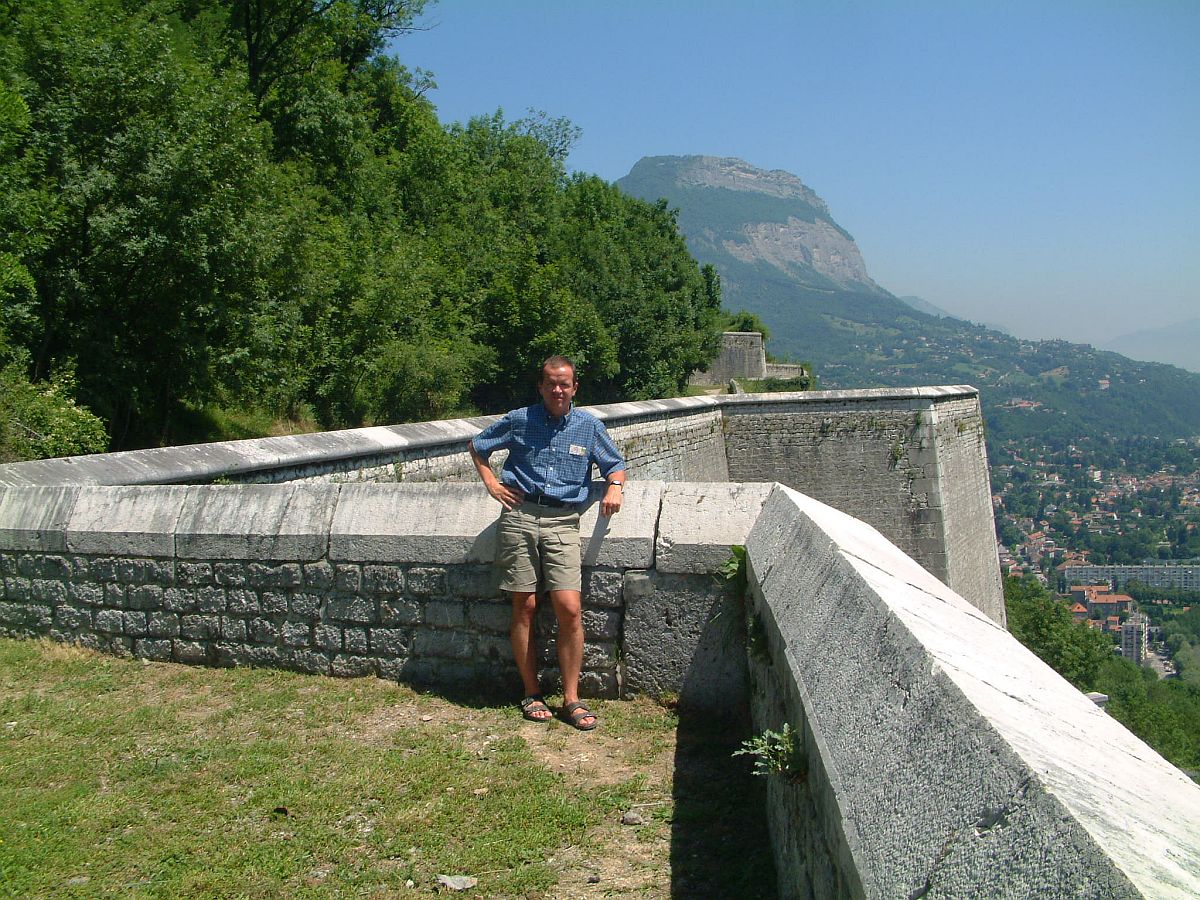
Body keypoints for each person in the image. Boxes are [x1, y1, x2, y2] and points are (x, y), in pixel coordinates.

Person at [468, 356, 627, 731]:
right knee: (524, 605)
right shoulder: (520, 419)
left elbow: (614, 465)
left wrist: (616, 486)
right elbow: (478, 446)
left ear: (575, 388)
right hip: (520, 515)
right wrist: (492, 484)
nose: (558, 390)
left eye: (565, 384)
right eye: (551, 384)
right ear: (541, 387)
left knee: (569, 608)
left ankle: (571, 698)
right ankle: (531, 692)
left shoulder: (588, 426)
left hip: (563, 519)